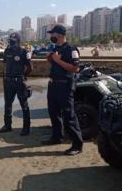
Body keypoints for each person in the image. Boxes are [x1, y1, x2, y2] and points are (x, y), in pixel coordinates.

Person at [42, 24, 83, 156]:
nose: (51, 36)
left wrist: (57, 61)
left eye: (52, 34)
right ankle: (57, 137)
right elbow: (55, 63)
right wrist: (51, 58)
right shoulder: (56, 48)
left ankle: (77, 144)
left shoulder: (71, 49)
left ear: (59, 35)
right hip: (53, 85)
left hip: (65, 85)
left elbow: (76, 68)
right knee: (54, 113)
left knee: (69, 116)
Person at [0, 32, 33, 136]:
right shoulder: (7, 51)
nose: (11, 43)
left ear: (18, 41)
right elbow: (5, 64)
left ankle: (26, 128)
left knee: (24, 105)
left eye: (13, 41)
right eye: (10, 41)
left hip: (19, 82)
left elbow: (30, 67)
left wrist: (23, 76)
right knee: (7, 104)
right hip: (8, 81)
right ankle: (7, 126)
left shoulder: (23, 52)